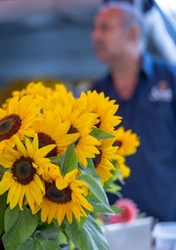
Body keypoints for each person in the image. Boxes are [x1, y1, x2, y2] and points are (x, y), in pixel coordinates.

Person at [91, 2, 176, 222]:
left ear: (133, 32)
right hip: (112, 224)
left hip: (167, 223)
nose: (95, 36)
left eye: (105, 27)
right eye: (94, 28)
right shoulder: (95, 94)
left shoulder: (170, 80)